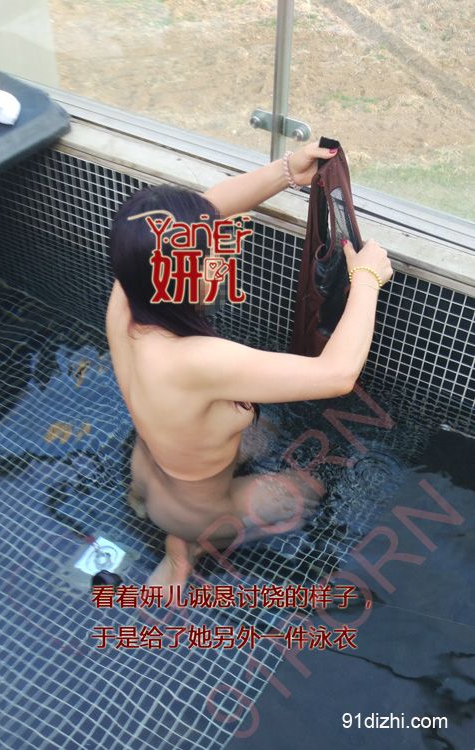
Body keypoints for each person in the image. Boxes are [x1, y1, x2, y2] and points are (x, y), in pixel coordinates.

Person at [106, 141, 393, 601]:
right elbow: (337, 374)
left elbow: (207, 208)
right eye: (213, 257)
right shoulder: (198, 361)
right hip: (195, 514)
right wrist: (367, 279)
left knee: (261, 431)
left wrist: (287, 171)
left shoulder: (127, 298)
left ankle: (157, 515)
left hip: (146, 474)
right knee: (308, 494)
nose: (224, 259)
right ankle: (186, 549)